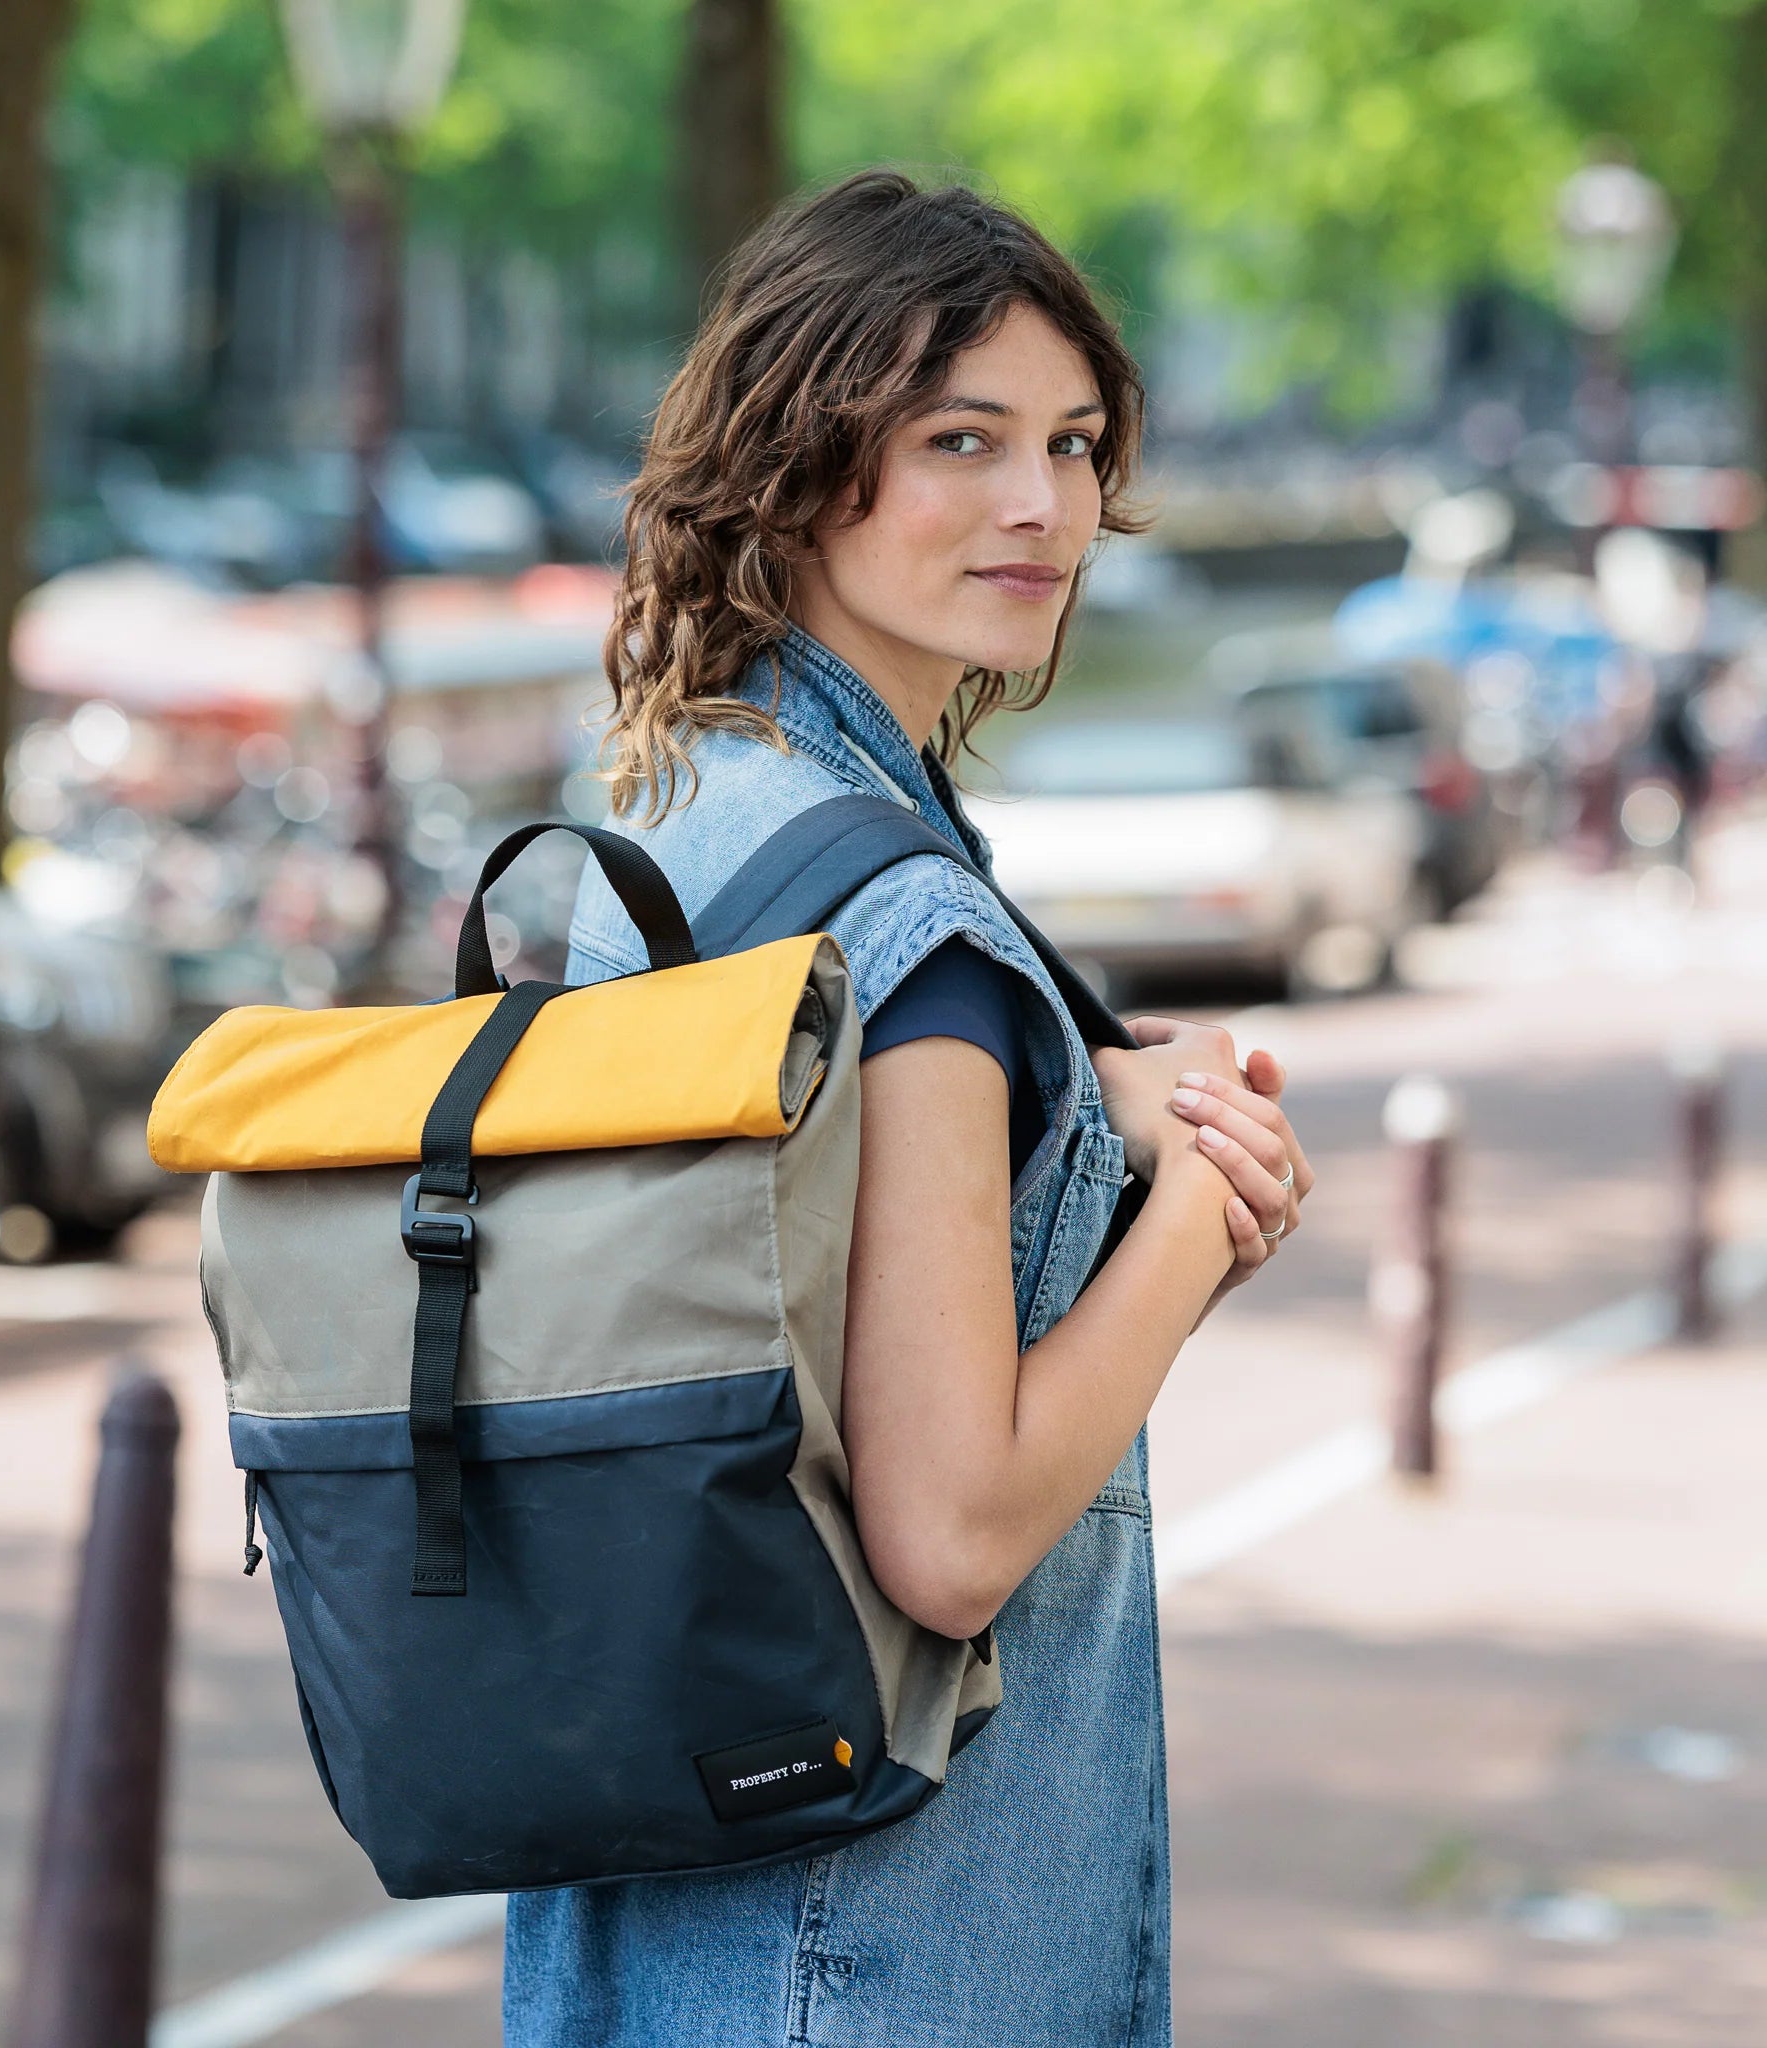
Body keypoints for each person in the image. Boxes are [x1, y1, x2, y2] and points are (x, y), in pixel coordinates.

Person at [500, 168, 1315, 2048]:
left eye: (1077, 443)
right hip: (880, 1941)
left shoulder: (673, 814)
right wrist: (1200, 1207)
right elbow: (951, 1536)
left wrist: (1084, 1099)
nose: (1046, 506)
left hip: (651, 1885)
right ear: (797, 463)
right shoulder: (907, 931)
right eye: (964, 439)